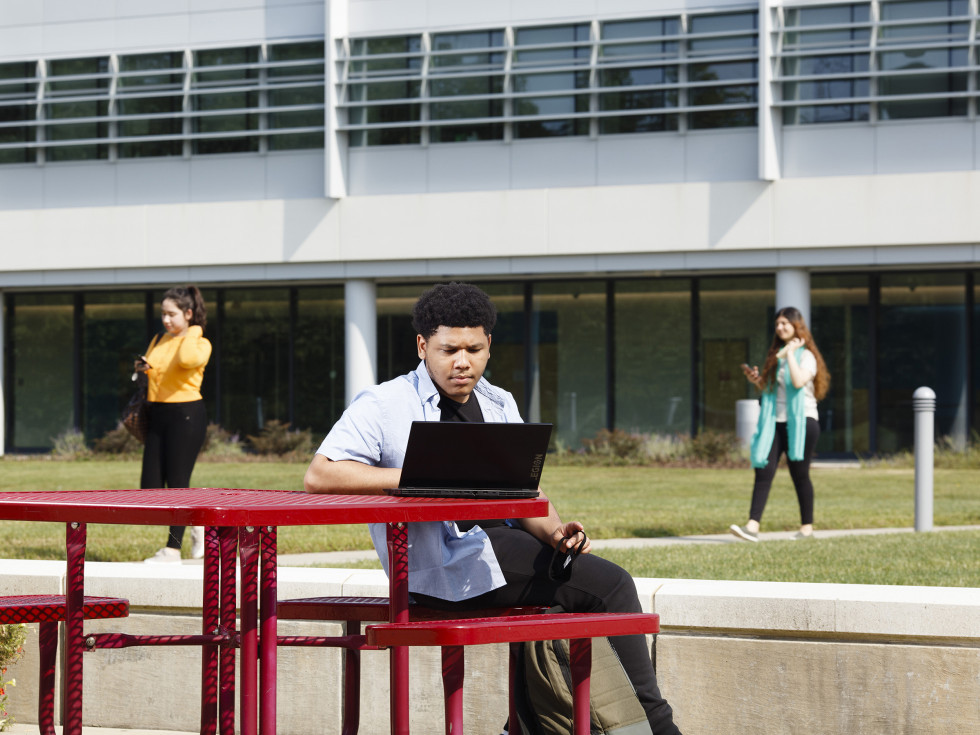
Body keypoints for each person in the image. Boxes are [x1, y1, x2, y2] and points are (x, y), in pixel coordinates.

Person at [304, 282, 682, 735]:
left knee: (559, 610)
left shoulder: (500, 403)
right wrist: (420, 477)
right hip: (437, 568)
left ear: (489, 348)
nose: (462, 362)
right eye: (448, 350)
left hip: (505, 553)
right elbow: (321, 475)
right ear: (423, 346)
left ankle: (524, 726)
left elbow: (526, 494)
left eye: (474, 349)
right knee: (611, 586)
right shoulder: (385, 404)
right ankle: (661, 729)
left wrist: (557, 534)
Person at [730, 306, 830, 543]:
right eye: (777, 324)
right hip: (775, 421)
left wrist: (791, 353)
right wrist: (757, 381)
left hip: (803, 422)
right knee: (763, 469)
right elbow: (771, 389)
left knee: (800, 474)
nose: (780, 327)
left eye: (784, 323)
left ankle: (806, 528)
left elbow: (797, 382)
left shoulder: (807, 356)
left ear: (797, 326)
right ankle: (752, 526)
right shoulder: (777, 356)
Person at [138, 286, 212, 563]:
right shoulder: (160, 339)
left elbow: (186, 360)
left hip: (187, 414)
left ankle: (172, 549)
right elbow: (153, 368)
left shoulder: (200, 342)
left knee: (178, 482)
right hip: (158, 413)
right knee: (151, 486)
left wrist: (192, 330)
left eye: (172, 314)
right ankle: (198, 521)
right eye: (163, 314)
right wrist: (142, 368)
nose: (166, 320)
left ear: (188, 313)